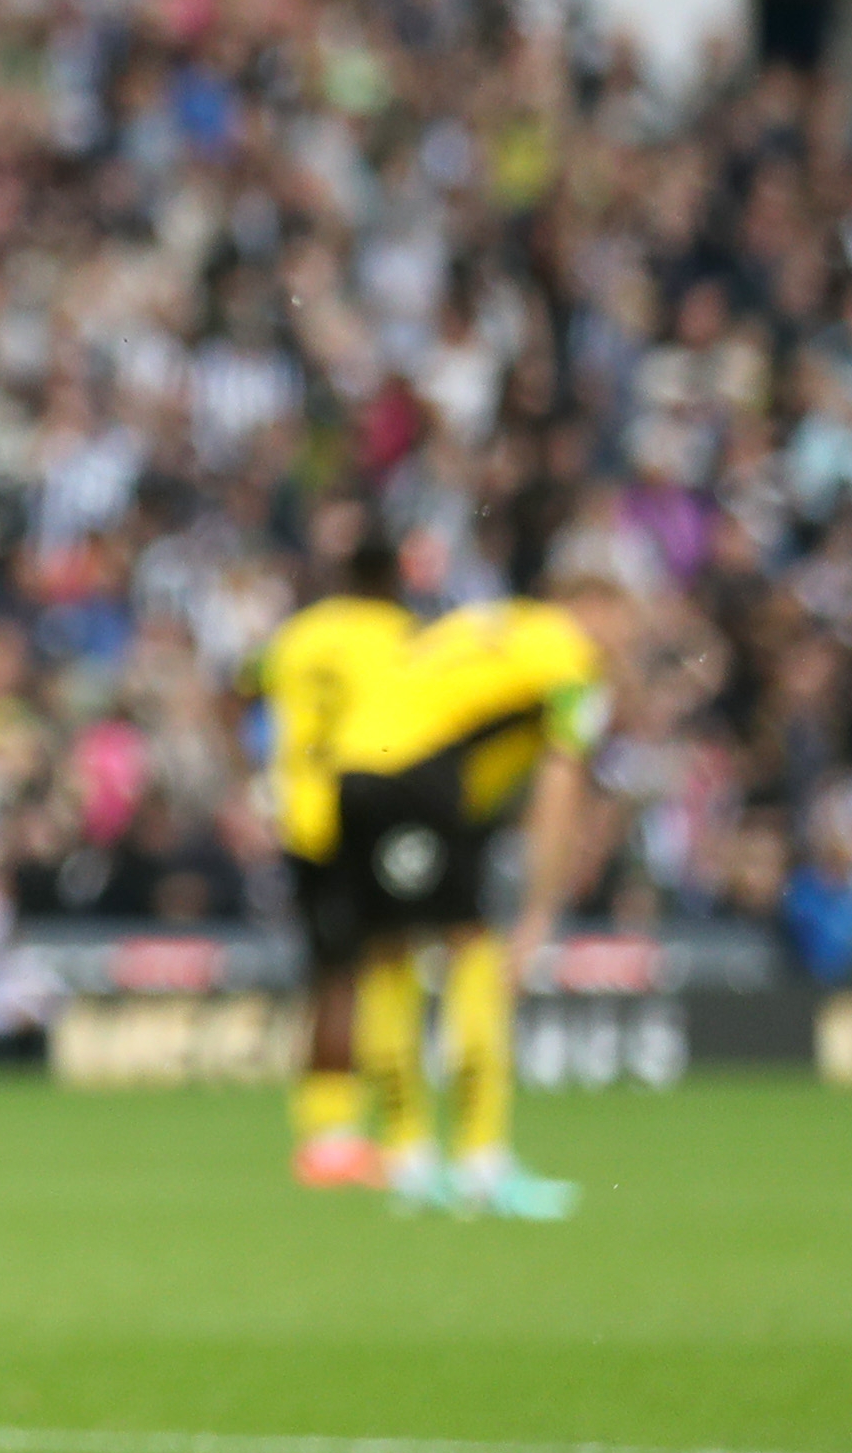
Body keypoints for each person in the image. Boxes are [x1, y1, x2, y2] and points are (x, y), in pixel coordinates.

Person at [319, 565, 644, 1221]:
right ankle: (480, 1161)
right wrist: (538, 913)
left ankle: (409, 1157)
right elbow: (560, 782)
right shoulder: (569, 657)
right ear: (590, 606)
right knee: (473, 948)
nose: (622, 644)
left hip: (355, 767)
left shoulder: (498, 625)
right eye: (621, 623)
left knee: (388, 955)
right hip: (418, 773)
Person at [251, 521, 415, 1188]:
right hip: (369, 811)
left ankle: (325, 1124)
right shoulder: (396, 636)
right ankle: (357, 1134)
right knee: (379, 965)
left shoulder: (298, 634)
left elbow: (248, 697)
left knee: (327, 972)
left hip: (301, 815)